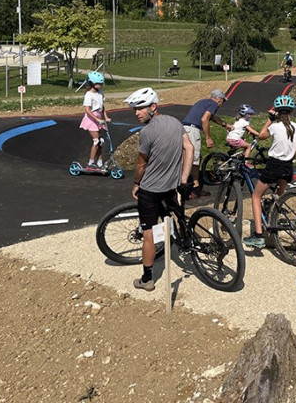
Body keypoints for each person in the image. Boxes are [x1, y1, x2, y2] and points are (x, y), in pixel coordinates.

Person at [124, 87, 194, 292]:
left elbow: (140, 164)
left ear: (153, 107)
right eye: (135, 109)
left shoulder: (146, 132)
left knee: (148, 234)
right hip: (172, 186)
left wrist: (136, 184)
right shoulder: (175, 122)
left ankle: (147, 279)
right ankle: (183, 238)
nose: (137, 113)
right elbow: (189, 147)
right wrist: (183, 177)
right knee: (175, 215)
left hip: (150, 189)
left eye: (140, 109)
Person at [243, 95, 296, 248]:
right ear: (291, 112)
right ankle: (275, 213)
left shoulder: (275, 127)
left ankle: (258, 235)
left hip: (274, 165)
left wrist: (270, 119)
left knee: (256, 196)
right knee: (278, 196)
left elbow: (261, 136)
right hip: (288, 166)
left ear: (277, 111)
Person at [181, 89, 231, 197]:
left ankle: (196, 188)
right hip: (192, 131)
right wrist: (208, 138)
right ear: (219, 99)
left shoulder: (203, 102)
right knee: (191, 160)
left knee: (195, 159)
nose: (222, 104)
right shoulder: (213, 104)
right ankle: (185, 189)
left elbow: (212, 117)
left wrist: (225, 124)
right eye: (223, 101)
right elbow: (205, 119)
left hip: (184, 129)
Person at [78, 71, 111, 171]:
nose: (101, 85)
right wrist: (97, 119)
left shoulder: (100, 93)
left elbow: (102, 107)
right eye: (99, 83)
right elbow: (87, 110)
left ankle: (99, 162)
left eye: (101, 83)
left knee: (101, 142)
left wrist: (106, 117)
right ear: (92, 83)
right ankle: (91, 163)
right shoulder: (88, 95)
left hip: (99, 117)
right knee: (96, 141)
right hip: (91, 118)